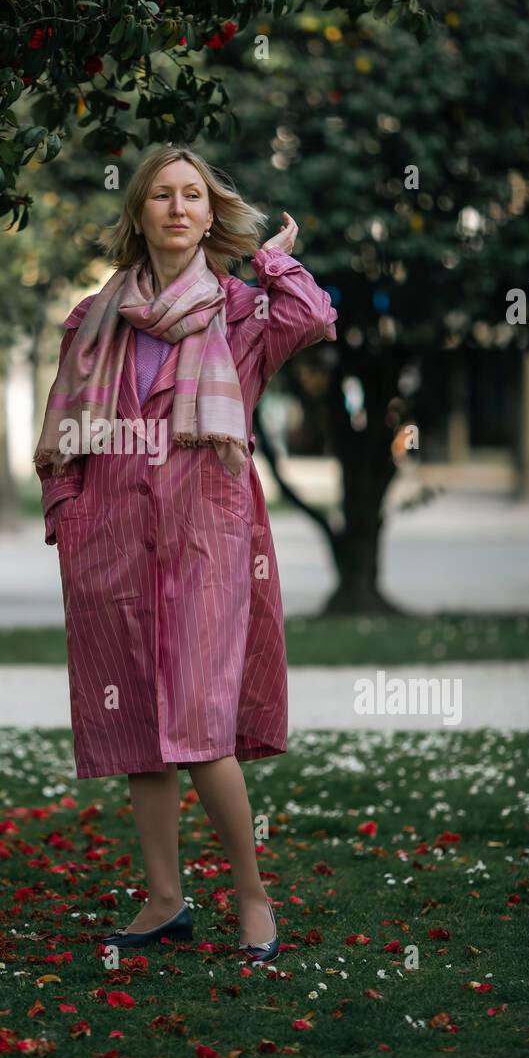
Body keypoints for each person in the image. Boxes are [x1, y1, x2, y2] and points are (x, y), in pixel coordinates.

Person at [33, 145, 338, 960]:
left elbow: (313, 318)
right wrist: (68, 517)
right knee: (139, 723)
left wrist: (274, 260)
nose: (176, 207)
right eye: (161, 195)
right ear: (139, 213)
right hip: (112, 541)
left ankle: (252, 897)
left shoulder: (243, 312)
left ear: (211, 214)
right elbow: (62, 438)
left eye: (192, 195)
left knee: (202, 726)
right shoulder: (96, 317)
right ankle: (165, 898)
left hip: (208, 535)